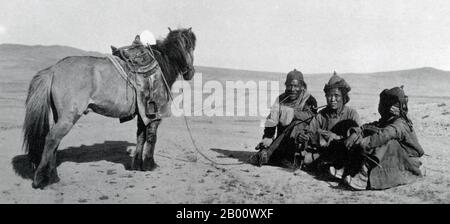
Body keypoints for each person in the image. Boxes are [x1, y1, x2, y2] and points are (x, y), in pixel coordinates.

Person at [339, 86, 425, 190]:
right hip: (396, 157)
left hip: (409, 160)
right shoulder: (389, 120)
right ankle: (347, 169)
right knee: (372, 135)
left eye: (383, 104)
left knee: (385, 142)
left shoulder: (400, 123)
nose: (380, 107)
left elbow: (384, 135)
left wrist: (362, 142)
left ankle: (363, 177)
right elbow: (370, 127)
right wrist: (356, 133)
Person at [248, 69, 317, 167]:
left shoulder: (309, 100)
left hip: (298, 141)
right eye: (290, 85)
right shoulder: (281, 99)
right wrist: (267, 138)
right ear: (286, 85)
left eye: (296, 86)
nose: (292, 89)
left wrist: (293, 113)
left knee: (298, 122)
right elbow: (272, 119)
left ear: (302, 86)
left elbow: (313, 118)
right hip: (281, 141)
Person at [295, 72, 361, 170]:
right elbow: (309, 132)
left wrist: (336, 137)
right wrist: (303, 137)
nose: (332, 99)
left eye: (336, 95)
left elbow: (359, 134)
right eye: (329, 96)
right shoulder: (321, 116)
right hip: (325, 152)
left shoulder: (351, 114)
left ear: (343, 97)